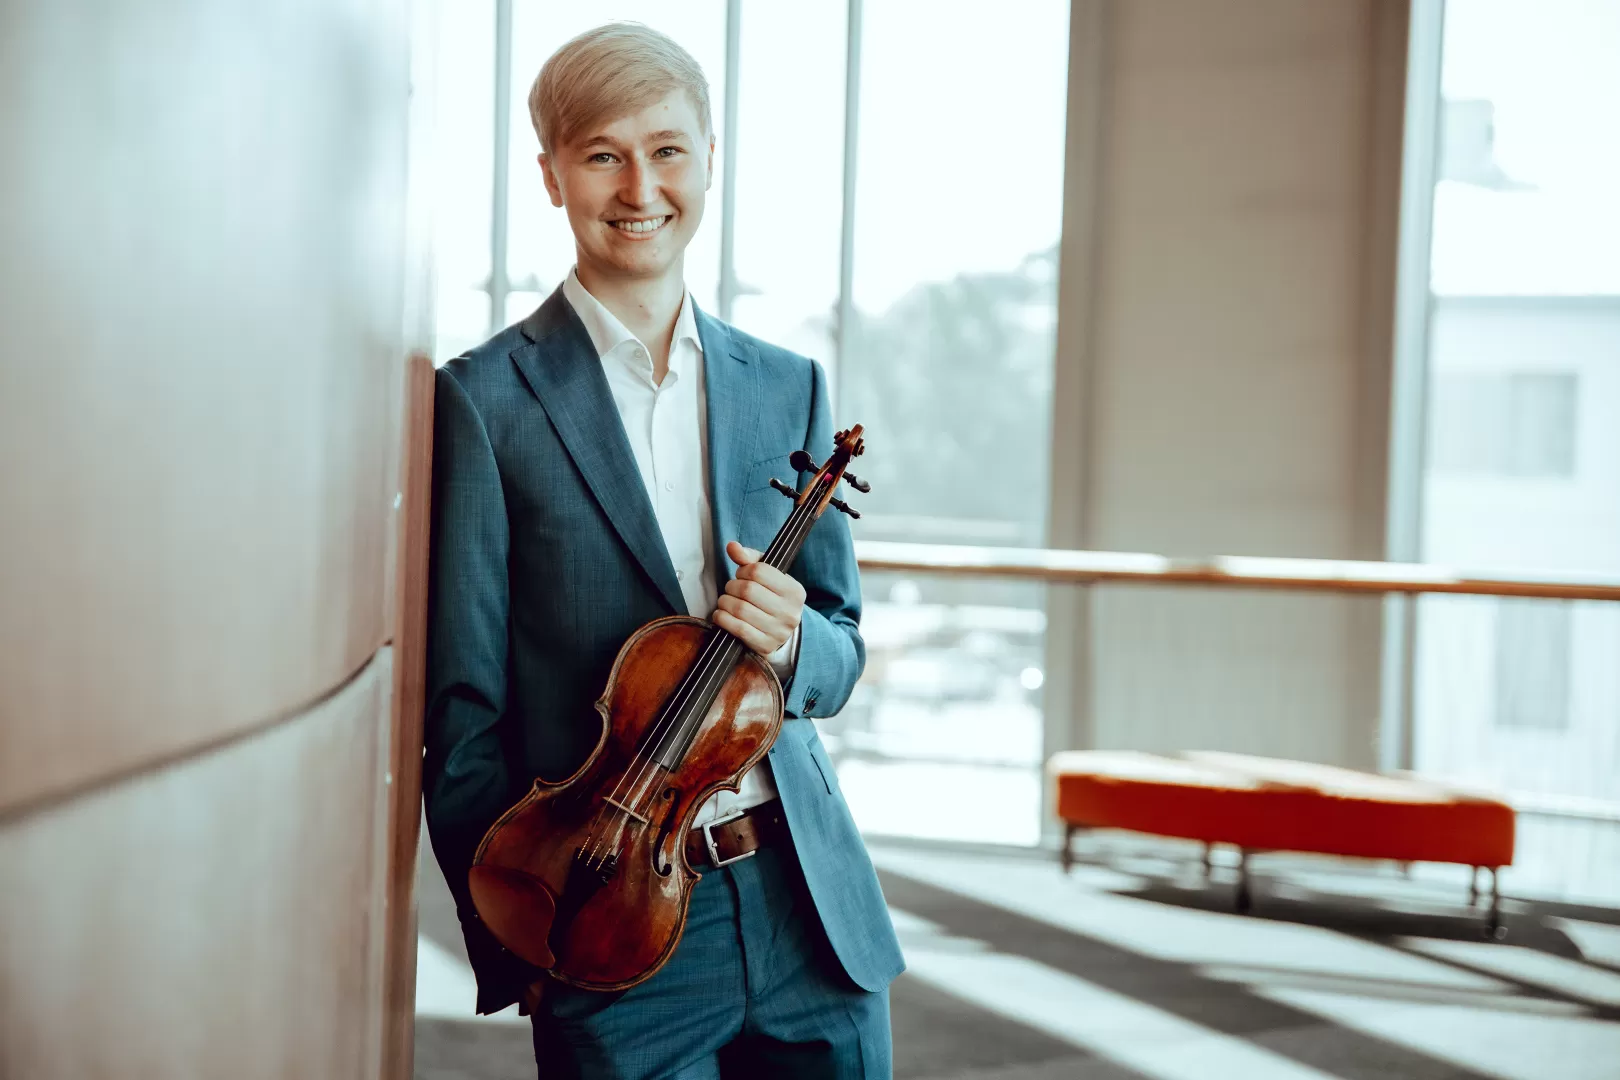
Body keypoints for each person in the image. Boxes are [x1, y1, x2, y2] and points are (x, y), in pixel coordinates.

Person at [421, 21, 904, 1079]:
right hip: (614, 927)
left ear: (709, 160)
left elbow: (843, 648)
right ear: (552, 177)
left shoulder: (791, 385)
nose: (641, 185)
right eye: (602, 154)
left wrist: (790, 648)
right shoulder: (485, 402)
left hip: (807, 906)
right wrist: (526, 942)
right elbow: (462, 720)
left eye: (668, 149)